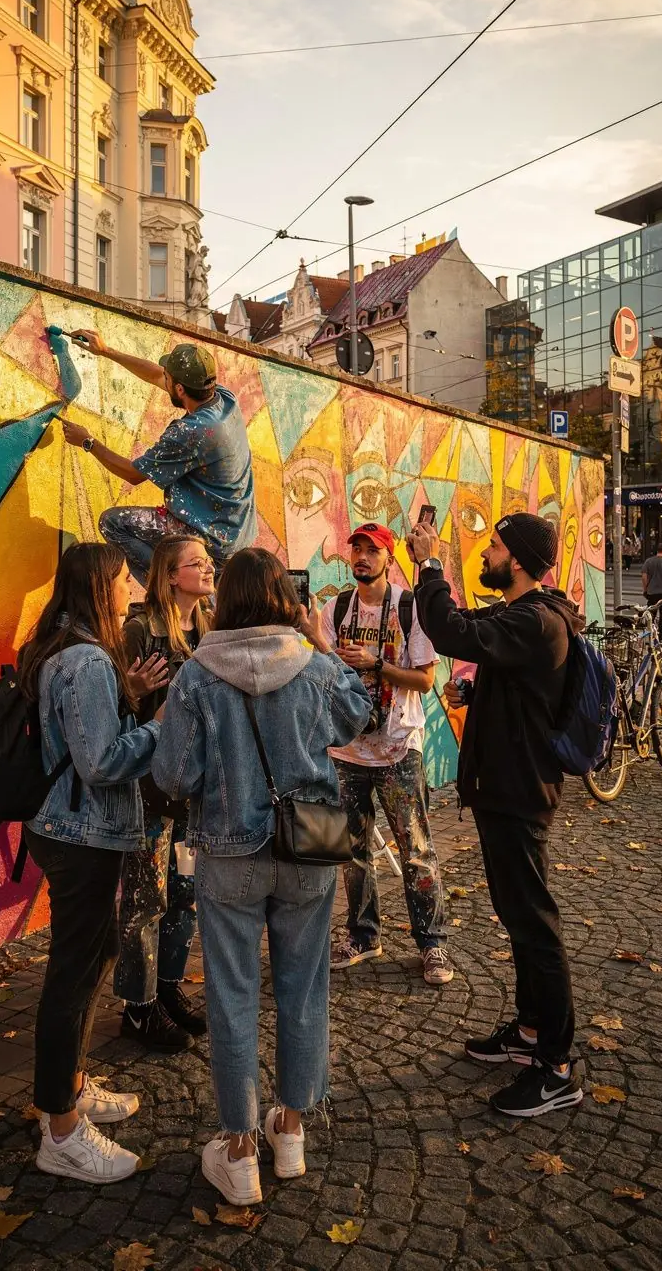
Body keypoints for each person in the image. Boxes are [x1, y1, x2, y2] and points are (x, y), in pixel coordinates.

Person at [153, 548, 372, 1205]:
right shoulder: (314, 665)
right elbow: (357, 715)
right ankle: (293, 1132)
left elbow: (173, 776)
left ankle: (240, 1150)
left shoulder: (196, 676)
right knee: (305, 989)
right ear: (284, 597)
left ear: (227, 600)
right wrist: (313, 640)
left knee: (232, 994)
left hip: (229, 855)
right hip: (308, 849)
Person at [407, 512, 585, 1118]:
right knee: (517, 915)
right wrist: (478, 695)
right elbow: (521, 687)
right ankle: (532, 1031)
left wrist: (430, 565)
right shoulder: (529, 616)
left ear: (520, 560)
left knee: (534, 925)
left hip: (518, 793)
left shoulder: (536, 619)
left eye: (497, 546)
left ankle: (558, 1066)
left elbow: (450, 630)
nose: (487, 552)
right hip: (505, 787)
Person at [18, 542, 167, 1182]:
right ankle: (60, 1130)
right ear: (98, 587)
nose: (132, 585)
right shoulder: (84, 660)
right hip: (80, 835)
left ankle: (71, 1087)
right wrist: (167, 729)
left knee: (93, 954)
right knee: (73, 978)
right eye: (122, 578)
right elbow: (101, 761)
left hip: (70, 829)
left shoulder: (66, 649)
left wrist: (129, 694)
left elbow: (83, 736)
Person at [319, 522, 451, 986]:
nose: (361, 555)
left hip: (397, 748)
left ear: (388, 558)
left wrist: (376, 664)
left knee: (416, 850)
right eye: (354, 547)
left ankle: (432, 944)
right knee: (352, 852)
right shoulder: (335, 608)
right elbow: (327, 671)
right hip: (348, 750)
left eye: (371, 549)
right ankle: (363, 935)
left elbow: (425, 680)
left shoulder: (410, 608)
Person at [115, 535, 214, 1052]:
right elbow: (111, 715)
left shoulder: (213, 627)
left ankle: (168, 987)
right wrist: (131, 692)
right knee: (144, 899)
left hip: (197, 790)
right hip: (152, 791)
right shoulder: (140, 630)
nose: (208, 567)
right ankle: (138, 1006)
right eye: (196, 563)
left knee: (187, 894)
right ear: (171, 575)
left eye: (208, 560)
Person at [60, 334, 257, 585]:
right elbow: (156, 375)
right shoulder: (223, 398)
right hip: (237, 532)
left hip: (211, 539)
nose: (163, 379)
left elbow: (133, 474)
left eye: (169, 378)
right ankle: (192, 590)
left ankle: (171, 593)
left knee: (113, 523)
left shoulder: (191, 431)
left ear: (179, 389)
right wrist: (107, 351)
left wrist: (87, 442)